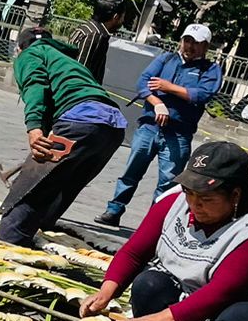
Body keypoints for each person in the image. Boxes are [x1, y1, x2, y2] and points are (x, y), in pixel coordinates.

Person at [79, 141, 248, 321]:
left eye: (207, 199)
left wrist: (162, 319)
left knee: (243, 319)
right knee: (149, 283)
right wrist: (106, 292)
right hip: (184, 304)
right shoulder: (175, 203)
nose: (194, 204)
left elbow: (221, 292)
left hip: (234, 320)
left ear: (235, 195)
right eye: (189, 193)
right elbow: (134, 252)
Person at [0, 28, 127, 247]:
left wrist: (35, 129)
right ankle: (36, 236)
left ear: (19, 49)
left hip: (81, 119)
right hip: (112, 128)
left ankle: (9, 244)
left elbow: (35, 85)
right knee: (64, 186)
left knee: (31, 189)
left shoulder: (30, 54)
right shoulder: (67, 60)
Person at [95, 24, 224, 226]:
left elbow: (201, 94)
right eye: (187, 40)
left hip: (178, 133)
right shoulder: (166, 59)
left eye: (196, 43)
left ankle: (152, 225)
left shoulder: (210, 70)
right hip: (149, 127)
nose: (189, 46)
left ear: (205, 46)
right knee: (131, 173)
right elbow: (143, 82)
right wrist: (157, 103)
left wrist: (168, 87)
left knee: (168, 182)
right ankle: (114, 210)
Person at [65, 0, 133, 82]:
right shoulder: (94, 35)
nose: (123, 21)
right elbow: (79, 72)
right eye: (123, 16)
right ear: (115, 17)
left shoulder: (88, 27)